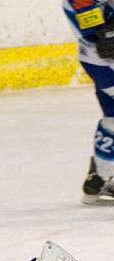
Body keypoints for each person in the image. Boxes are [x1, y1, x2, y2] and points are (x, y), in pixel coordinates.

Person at [63, 1, 114, 204]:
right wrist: (105, 29)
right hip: (102, 61)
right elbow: (104, 39)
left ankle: (100, 179)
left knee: (112, 117)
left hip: (100, 59)